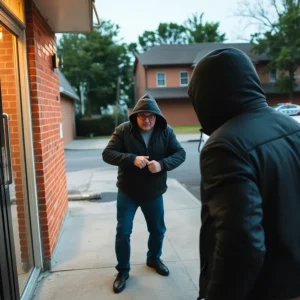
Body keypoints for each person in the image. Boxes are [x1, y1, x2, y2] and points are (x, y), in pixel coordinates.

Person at [188, 48, 300, 300]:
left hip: (263, 289)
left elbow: (240, 244)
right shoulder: (291, 127)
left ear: (206, 95)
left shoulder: (224, 146)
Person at [102, 93, 186, 294]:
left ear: (157, 117)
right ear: (135, 116)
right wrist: (131, 158)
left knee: (158, 230)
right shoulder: (123, 130)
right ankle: (122, 271)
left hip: (154, 192)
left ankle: (153, 258)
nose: (146, 120)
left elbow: (180, 153)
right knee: (123, 232)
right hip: (128, 191)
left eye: (150, 116)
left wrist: (162, 164)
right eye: (142, 116)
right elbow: (107, 154)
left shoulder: (166, 131)